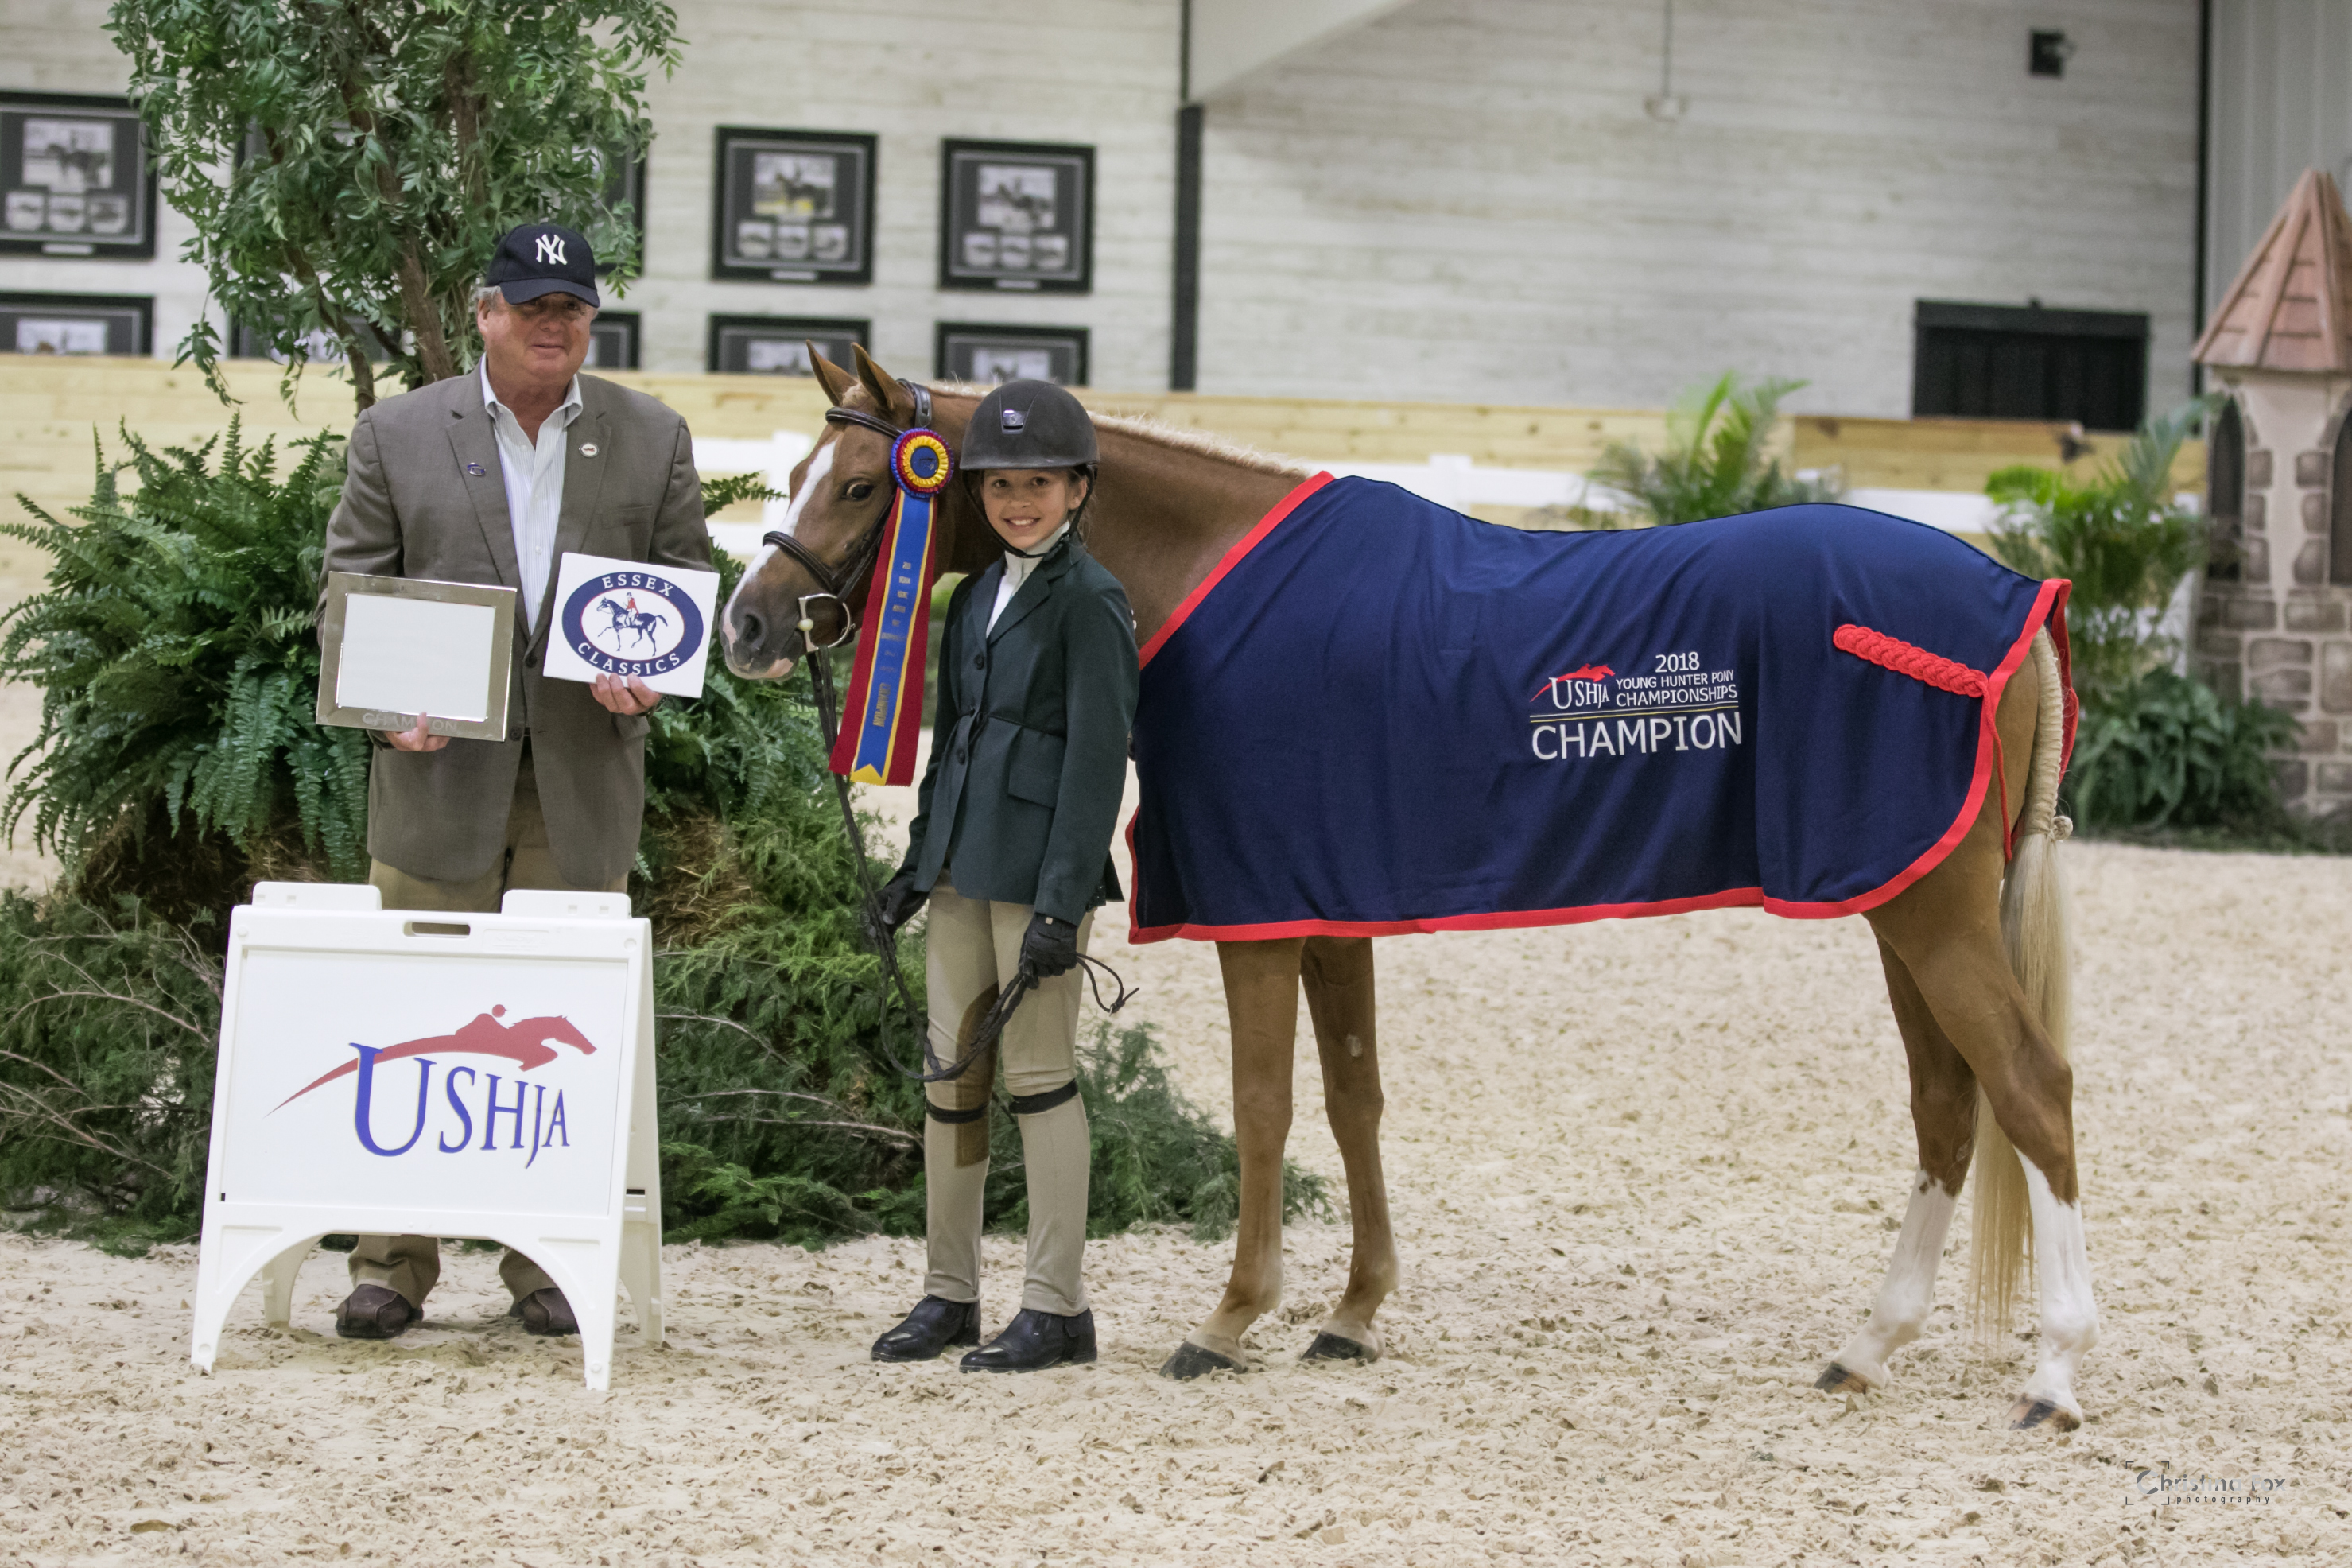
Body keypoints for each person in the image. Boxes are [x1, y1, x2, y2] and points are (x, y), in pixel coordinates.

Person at [318, 221, 711, 1341]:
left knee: (559, 1024)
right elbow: (350, 588)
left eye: (572, 308)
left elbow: (677, 583)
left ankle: (546, 1260)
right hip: (436, 786)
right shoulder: (398, 432)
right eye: (531, 305)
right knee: (416, 1020)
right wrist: (387, 703)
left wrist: (656, 680)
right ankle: (392, 1260)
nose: (553, 325)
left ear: (593, 321)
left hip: (584, 782)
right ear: (484, 312)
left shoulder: (651, 434)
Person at [867, 380, 1139, 1372]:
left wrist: (1064, 902)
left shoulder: (1093, 602)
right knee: (950, 1079)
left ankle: (1057, 1304)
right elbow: (955, 745)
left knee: (1037, 1078)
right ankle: (949, 1292)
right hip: (958, 868)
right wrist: (914, 860)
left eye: (1038, 482)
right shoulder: (974, 595)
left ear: (1076, 488)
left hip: (1034, 872)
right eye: (1000, 484)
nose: (1017, 500)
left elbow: (1095, 763)